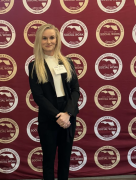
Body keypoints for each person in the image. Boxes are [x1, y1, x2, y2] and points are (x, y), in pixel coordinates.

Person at [28, 23, 80, 180]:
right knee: (48, 160)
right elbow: (38, 97)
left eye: (52, 38)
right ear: (39, 41)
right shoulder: (34, 66)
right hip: (49, 117)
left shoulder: (67, 62)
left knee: (65, 160)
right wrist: (58, 116)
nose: (48, 41)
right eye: (44, 38)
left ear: (57, 40)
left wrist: (68, 113)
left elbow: (75, 90)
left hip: (68, 115)